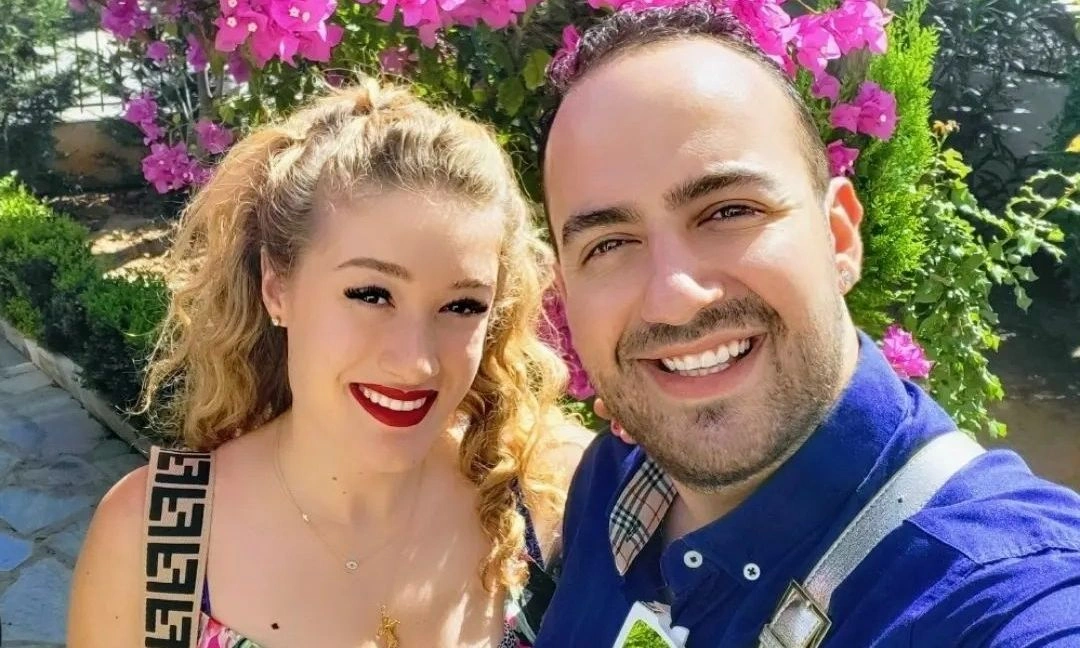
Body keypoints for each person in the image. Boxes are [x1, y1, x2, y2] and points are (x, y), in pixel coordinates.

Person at [533, 3, 1080, 646]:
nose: (674, 298)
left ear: (839, 237)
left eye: (729, 211)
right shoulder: (610, 484)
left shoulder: (1001, 590)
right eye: (608, 244)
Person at [68, 78, 590, 648]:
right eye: (371, 294)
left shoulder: (549, 495)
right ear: (276, 286)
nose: (416, 363)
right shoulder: (152, 536)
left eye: (462, 305)